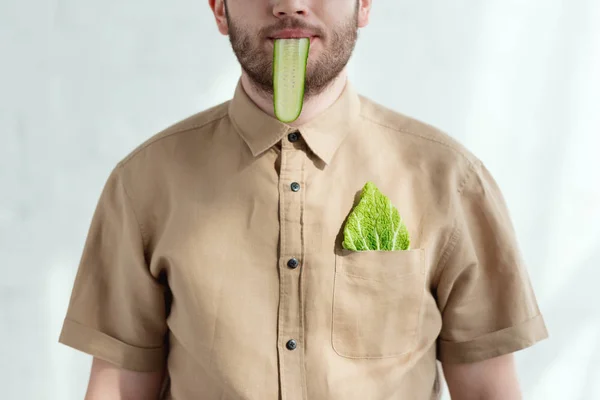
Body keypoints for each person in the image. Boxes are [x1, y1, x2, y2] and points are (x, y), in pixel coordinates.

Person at [58, 0, 549, 399]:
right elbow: (118, 387)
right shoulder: (143, 183)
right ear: (219, 9)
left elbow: (488, 389)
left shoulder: (450, 180)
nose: (290, 5)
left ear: (364, 5)